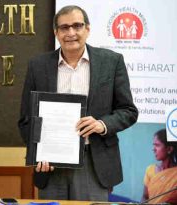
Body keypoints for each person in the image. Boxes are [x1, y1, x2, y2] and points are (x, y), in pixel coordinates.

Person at [18, 5, 138, 201]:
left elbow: (128, 111)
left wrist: (102, 124)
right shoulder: (37, 66)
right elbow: (25, 120)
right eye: (64, 28)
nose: (71, 33)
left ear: (87, 29)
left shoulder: (111, 62)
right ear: (56, 32)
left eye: (77, 26)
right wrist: (38, 152)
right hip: (51, 166)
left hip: (94, 161)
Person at [141, 129, 177, 203]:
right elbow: (145, 197)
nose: (153, 149)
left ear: (169, 149)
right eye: (154, 145)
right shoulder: (150, 170)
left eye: (157, 145)